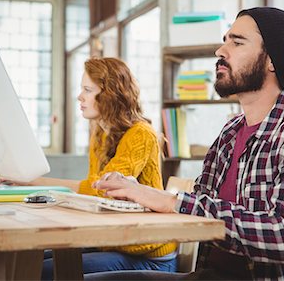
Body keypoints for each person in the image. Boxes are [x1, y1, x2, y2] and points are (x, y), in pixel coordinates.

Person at [93, 7, 284, 280]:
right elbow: (196, 210)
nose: (220, 51)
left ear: (273, 60)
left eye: (236, 42)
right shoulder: (230, 132)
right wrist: (134, 197)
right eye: (225, 40)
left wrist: (170, 201)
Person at [23, 57, 178, 279]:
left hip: (148, 255)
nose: (80, 97)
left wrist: (34, 182)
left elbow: (100, 188)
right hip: (115, 243)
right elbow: (94, 194)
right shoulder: (100, 133)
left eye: (87, 90)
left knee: (42, 271)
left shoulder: (141, 134)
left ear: (110, 95)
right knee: (33, 260)